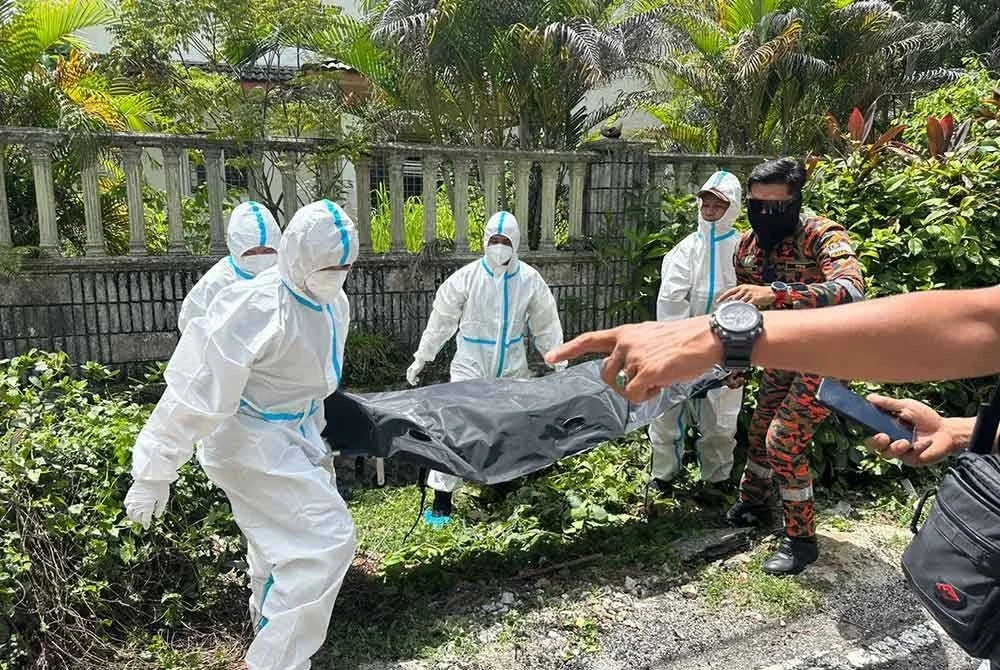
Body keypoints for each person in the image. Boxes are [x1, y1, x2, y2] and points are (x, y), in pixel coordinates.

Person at [124, 199, 359, 670]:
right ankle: (273, 661)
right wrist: (154, 470)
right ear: (294, 254)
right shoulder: (250, 306)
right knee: (326, 542)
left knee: (278, 545)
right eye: (326, 266)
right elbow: (194, 390)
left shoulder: (335, 302)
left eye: (344, 266)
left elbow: (310, 385)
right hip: (249, 441)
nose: (334, 275)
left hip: (299, 434)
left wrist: (315, 441)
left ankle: (267, 630)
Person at [405, 211, 566, 524]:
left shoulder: (529, 280)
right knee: (455, 428)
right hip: (470, 368)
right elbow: (441, 321)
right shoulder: (466, 278)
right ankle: (442, 501)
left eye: (505, 241)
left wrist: (557, 360)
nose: (499, 246)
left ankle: (506, 484)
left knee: (511, 427)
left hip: (512, 369)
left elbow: (546, 324)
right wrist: (423, 356)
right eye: (494, 240)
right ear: (485, 241)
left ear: (515, 243)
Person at [647, 170, 744, 496]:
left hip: (726, 350)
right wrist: (675, 350)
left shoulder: (744, 251)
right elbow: (671, 302)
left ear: (733, 207)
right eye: (706, 201)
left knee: (720, 420)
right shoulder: (684, 251)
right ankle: (663, 477)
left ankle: (716, 482)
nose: (710, 208)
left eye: (719, 203)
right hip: (682, 348)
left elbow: (752, 308)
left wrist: (738, 358)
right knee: (667, 415)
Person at [177, 200, 282, 333]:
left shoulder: (288, 276)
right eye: (249, 252)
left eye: (268, 251)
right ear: (236, 248)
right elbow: (191, 325)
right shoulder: (217, 281)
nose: (259, 257)